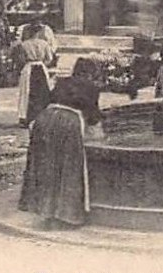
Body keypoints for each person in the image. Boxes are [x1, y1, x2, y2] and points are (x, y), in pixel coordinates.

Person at [18, 59, 105, 227]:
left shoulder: (62, 82)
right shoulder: (91, 88)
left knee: (47, 166)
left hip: (44, 120)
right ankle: (65, 215)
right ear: (91, 74)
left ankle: (45, 210)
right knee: (68, 168)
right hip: (68, 123)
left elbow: (46, 101)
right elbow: (93, 117)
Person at [14, 23, 59, 128]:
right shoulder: (44, 44)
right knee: (42, 91)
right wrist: (43, 63)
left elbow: (21, 59)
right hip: (41, 67)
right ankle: (42, 115)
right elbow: (49, 58)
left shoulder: (24, 45)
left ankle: (26, 117)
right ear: (38, 33)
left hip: (29, 67)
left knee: (27, 92)